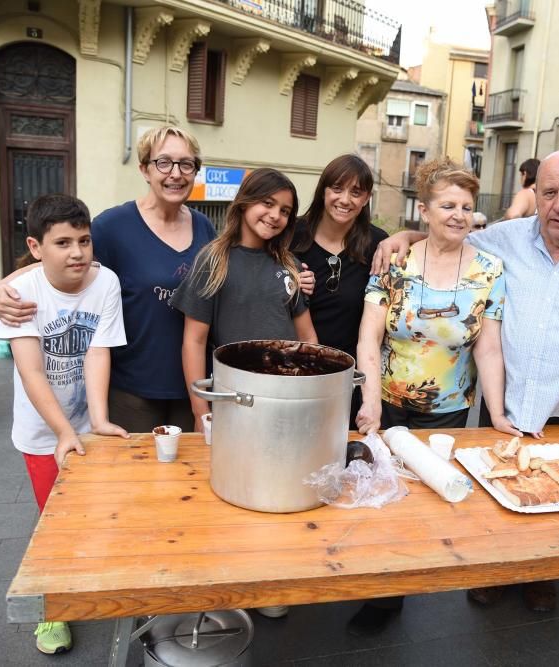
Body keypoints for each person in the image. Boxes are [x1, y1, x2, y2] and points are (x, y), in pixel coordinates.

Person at [372, 149, 559, 612]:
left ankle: (542, 577)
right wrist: (403, 235)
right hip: (508, 399)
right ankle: (496, 572)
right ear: (535, 195)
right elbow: (447, 231)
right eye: (549, 193)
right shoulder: (503, 238)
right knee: (497, 489)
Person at [349, 157, 520, 636]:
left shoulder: (490, 269)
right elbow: (368, 337)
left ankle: (396, 586)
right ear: (424, 210)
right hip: (382, 400)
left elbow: (488, 348)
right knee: (378, 493)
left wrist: (498, 412)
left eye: (467, 206)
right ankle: (379, 596)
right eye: (448, 204)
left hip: (446, 413)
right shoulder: (395, 261)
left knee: (419, 499)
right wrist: (370, 401)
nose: (459, 215)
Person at [0, 126, 216, 434]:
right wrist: (0, 287)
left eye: (186, 164)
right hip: (132, 391)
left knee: (185, 478)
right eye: (164, 162)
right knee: (131, 480)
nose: (176, 173)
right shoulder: (114, 226)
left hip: (191, 387)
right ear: (144, 169)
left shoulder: (204, 227)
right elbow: (63, 259)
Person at [0, 194, 128, 655]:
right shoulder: (23, 292)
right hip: (40, 432)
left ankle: (87, 584)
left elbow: (97, 350)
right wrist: (63, 432)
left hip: (84, 421)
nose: (77, 252)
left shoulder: (105, 282)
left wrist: (98, 420)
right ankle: (52, 612)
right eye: (62, 242)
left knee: (91, 513)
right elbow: (31, 371)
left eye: (84, 240)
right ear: (36, 246)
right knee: (53, 522)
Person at [174, 167, 317, 431]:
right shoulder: (213, 260)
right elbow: (194, 341)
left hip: (285, 399)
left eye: (285, 211)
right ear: (244, 201)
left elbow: (308, 339)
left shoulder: (290, 265)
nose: (275, 215)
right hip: (234, 400)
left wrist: (307, 393)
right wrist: (200, 412)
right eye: (268, 203)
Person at [291, 154, 388, 427]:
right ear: (323, 190)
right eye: (337, 188)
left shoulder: (378, 244)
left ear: (367, 198)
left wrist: (405, 236)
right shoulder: (290, 235)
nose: (345, 199)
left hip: (351, 377)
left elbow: (427, 243)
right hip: (294, 371)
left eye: (356, 192)